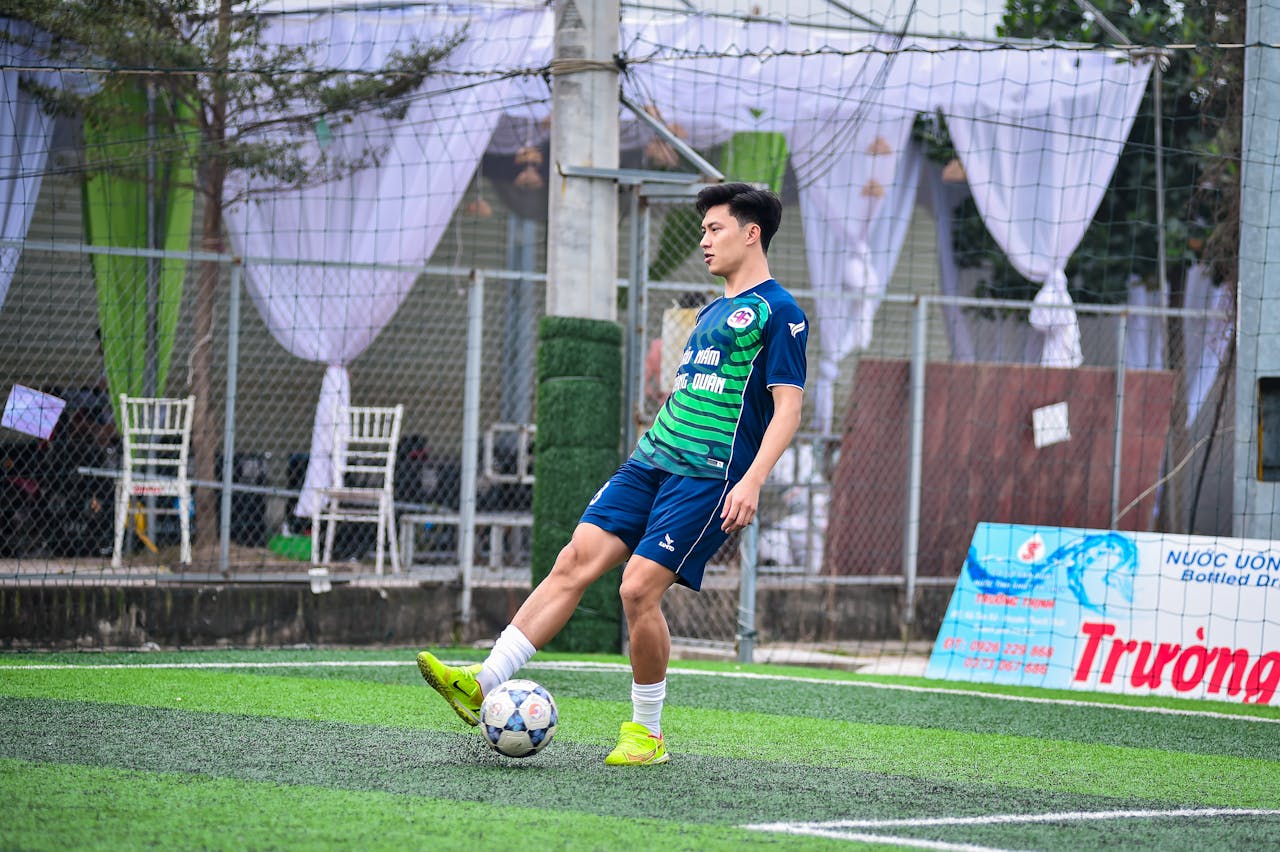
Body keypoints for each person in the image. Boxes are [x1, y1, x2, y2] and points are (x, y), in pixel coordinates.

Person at [417, 182, 808, 766]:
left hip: (708, 474)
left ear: (752, 233)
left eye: (714, 229)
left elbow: (788, 408)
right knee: (573, 560)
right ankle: (484, 680)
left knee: (636, 588)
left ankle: (646, 733)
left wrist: (751, 480)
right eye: (703, 230)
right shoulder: (708, 313)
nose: (703, 240)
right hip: (651, 459)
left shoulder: (781, 312)